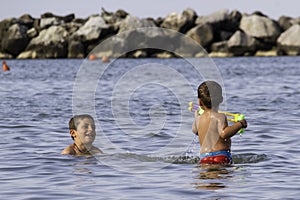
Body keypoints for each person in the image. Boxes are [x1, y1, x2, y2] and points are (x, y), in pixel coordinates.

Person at [192, 81, 247, 164]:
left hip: (204, 158)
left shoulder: (198, 119)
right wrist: (240, 124)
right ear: (221, 100)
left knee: (204, 175)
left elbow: (195, 131)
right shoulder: (220, 116)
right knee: (225, 176)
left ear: (199, 102)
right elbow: (224, 133)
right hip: (221, 156)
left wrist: (196, 116)